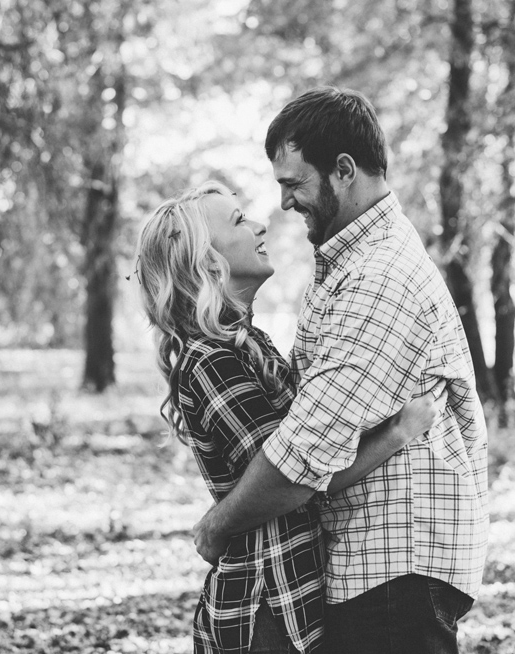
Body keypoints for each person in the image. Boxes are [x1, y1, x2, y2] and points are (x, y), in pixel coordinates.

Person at [192, 88, 489, 654]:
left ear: (344, 170)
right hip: (376, 571)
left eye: (294, 184)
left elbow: (304, 453)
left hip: (395, 575)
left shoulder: (380, 277)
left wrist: (217, 526)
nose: (284, 204)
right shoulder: (350, 266)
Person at [136, 180, 437, 654]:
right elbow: (294, 476)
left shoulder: (249, 344)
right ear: (205, 261)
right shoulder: (211, 361)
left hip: (289, 596)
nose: (259, 225)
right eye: (238, 221)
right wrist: (397, 432)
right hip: (264, 604)